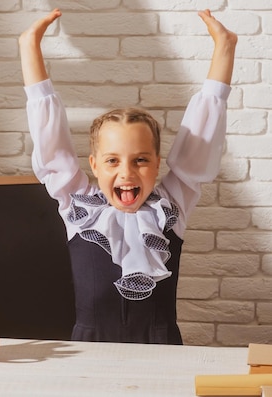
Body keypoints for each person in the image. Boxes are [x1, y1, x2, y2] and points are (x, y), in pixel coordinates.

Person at [19, 9, 237, 344]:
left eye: (140, 160)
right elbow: (52, 146)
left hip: (162, 352)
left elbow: (200, 145)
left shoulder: (170, 207)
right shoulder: (77, 207)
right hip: (89, 354)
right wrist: (29, 45)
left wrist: (224, 46)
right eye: (112, 161)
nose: (126, 173)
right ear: (93, 164)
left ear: (158, 162)